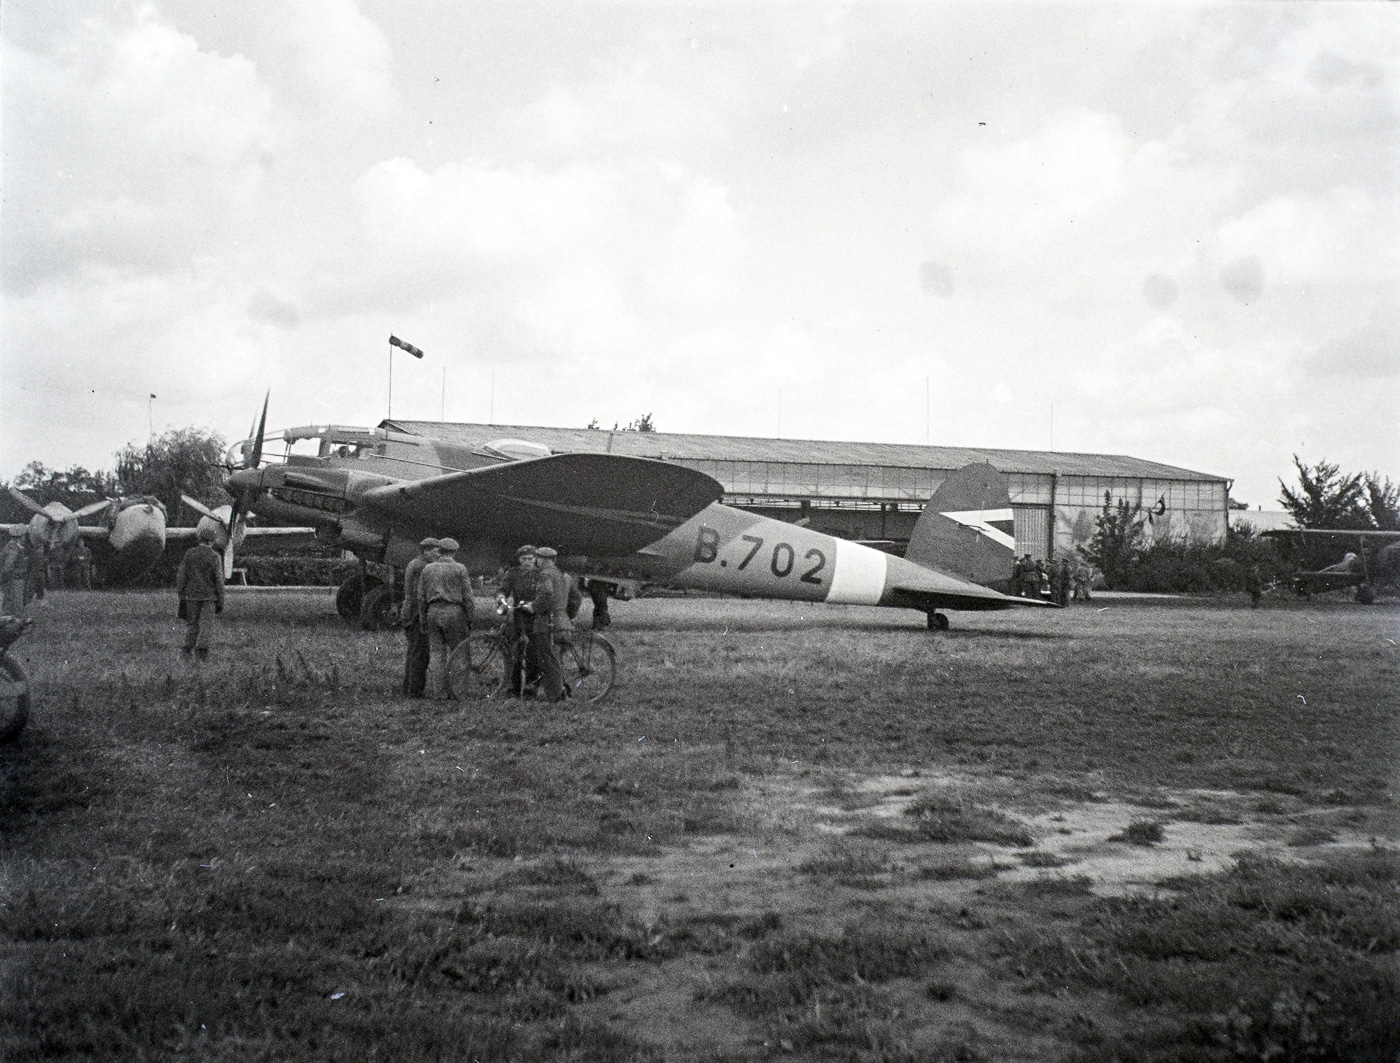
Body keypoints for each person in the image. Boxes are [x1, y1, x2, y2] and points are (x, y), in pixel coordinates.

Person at [417, 537, 473, 700]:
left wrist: (423, 618)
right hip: (454, 612)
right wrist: (470, 616)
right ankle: (457, 692)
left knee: (436, 654)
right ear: (454, 552)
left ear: (439, 551)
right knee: (459, 652)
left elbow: (420, 597)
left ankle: (438, 692)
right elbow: (468, 596)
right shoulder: (460, 568)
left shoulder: (427, 569)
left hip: (432, 611)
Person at [524, 546, 573, 702]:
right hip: (562, 621)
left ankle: (556, 696)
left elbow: (546, 593)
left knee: (548, 659)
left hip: (547, 623)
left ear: (543, 560)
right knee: (555, 659)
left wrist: (533, 606)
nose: (536, 561)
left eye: (537, 558)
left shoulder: (545, 574)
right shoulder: (560, 574)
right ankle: (560, 691)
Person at [175, 525, 225, 657]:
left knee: (192, 624)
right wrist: (221, 599)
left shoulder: (189, 554)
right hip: (209, 596)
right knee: (206, 625)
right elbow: (219, 580)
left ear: (200, 539)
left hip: (191, 595)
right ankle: (201, 651)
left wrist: (181, 593)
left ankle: (187, 649)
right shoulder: (215, 556)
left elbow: (181, 575)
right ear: (212, 541)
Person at [400, 538, 439, 698]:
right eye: (435, 551)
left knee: (414, 651)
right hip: (416, 613)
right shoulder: (423, 567)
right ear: (426, 551)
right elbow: (420, 595)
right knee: (420, 654)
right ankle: (415, 691)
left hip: (410, 611)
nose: (438, 555)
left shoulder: (415, 563)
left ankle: (409, 688)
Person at [497, 544, 538, 695]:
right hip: (517, 616)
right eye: (524, 559)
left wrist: (534, 605)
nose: (527, 562)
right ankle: (513, 688)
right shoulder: (513, 573)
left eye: (530, 558)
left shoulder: (540, 574)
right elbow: (503, 589)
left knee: (533, 653)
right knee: (514, 652)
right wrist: (501, 597)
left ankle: (530, 688)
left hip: (534, 616)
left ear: (535, 559)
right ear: (519, 560)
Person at [0, 534, 36, 616]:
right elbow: (8, 566)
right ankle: (13, 619)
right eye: (24, 536)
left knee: (11, 599)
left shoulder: (14, 546)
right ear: (20, 537)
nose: (25, 539)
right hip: (14, 579)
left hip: (15, 578)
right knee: (16, 600)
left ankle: (9, 617)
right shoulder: (13, 549)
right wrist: (6, 578)